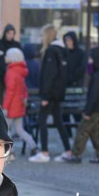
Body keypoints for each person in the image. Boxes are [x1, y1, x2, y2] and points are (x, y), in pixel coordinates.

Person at [29, 25, 69, 162]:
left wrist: (45, 95)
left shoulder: (51, 51)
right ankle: (68, 151)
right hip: (58, 93)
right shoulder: (62, 50)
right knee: (58, 121)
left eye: (42, 35)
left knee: (42, 121)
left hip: (50, 94)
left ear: (47, 36)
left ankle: (44, 153)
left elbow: (49, 75)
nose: (41, 38)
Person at [63, 46, 99, 163]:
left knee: (82, 130)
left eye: (91, 59)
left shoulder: (98, 76)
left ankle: (76, 154)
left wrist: (87, 111)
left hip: (94, 110)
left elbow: (94, 96)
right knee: (95, 132)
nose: (89, 62)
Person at [3, 47, 37, 157]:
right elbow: (24, 88)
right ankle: (33, 146)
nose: (5, 57)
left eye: (7, 55)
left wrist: (5, 107)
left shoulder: (11, 71)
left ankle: (10, 151)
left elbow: (10, 91)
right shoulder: (20, 71)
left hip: (12, 106)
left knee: (4, 130)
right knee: (19, 129)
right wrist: (25, 98)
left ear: (12, 57)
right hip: (19, 105)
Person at [0, 23, 21, 105]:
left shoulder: (16, 45)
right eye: (9, 33)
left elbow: (20, 60)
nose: (10, 35)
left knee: (11, 99)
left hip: (12, 77)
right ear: (5, 33)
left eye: (12, 34)